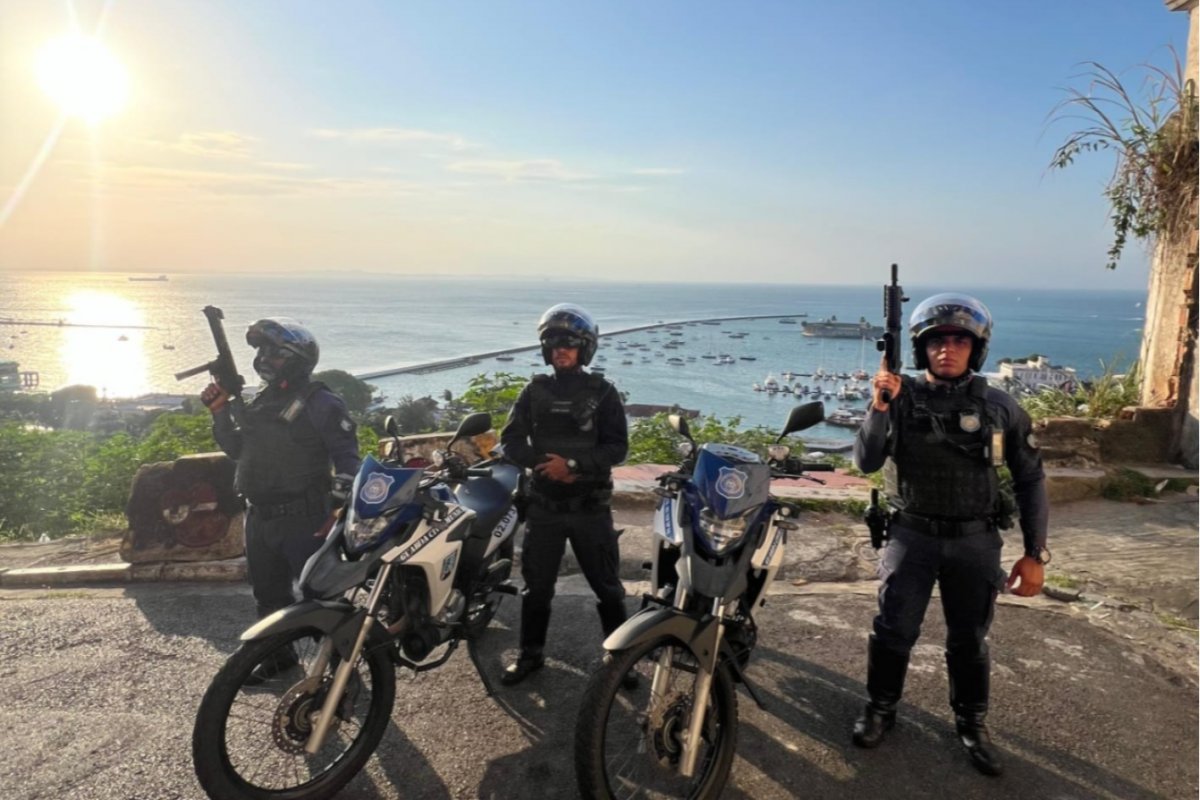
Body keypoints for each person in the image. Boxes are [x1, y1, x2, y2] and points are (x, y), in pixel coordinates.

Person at [850, 293, 1049, 776]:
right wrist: (879, 406)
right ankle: (880, 708)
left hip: (975, 541)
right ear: (922, 349)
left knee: (969, 638)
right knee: (894, 630)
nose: (948, 349)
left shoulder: (1001, 407)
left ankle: (972, 723)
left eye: (960, 340)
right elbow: (867, 462)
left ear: (975, 349)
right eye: (937, 340)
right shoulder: (898, 400)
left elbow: (1030, 478)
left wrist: (1034, 552)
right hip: (911, 536)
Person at [201, 318, 361, 683]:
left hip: (307, 517)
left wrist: (337, 508)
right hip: (260, 516)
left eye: (274, 352)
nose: (264, 359)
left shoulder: (321, 402)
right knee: (268, 595)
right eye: (261, 351)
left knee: (321, 595)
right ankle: (279, 659)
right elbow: (238, 450)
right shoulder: (262, 401)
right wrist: (220, 413)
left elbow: (347, 457)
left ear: (297, 358)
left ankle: (343, 669)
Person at [498, 303, 632, 686]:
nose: (561, 350)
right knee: (537, 589)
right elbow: (510, 441)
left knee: (607, 588)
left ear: (584, 348)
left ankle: (621, 660)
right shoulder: (533, 392)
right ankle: (530, 655)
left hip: (591, 509)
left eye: (569, 343)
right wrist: (543, 464)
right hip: (544, 507)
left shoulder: (604, 393)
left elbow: (617, 448)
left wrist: (572, 465)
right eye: (553, 343)